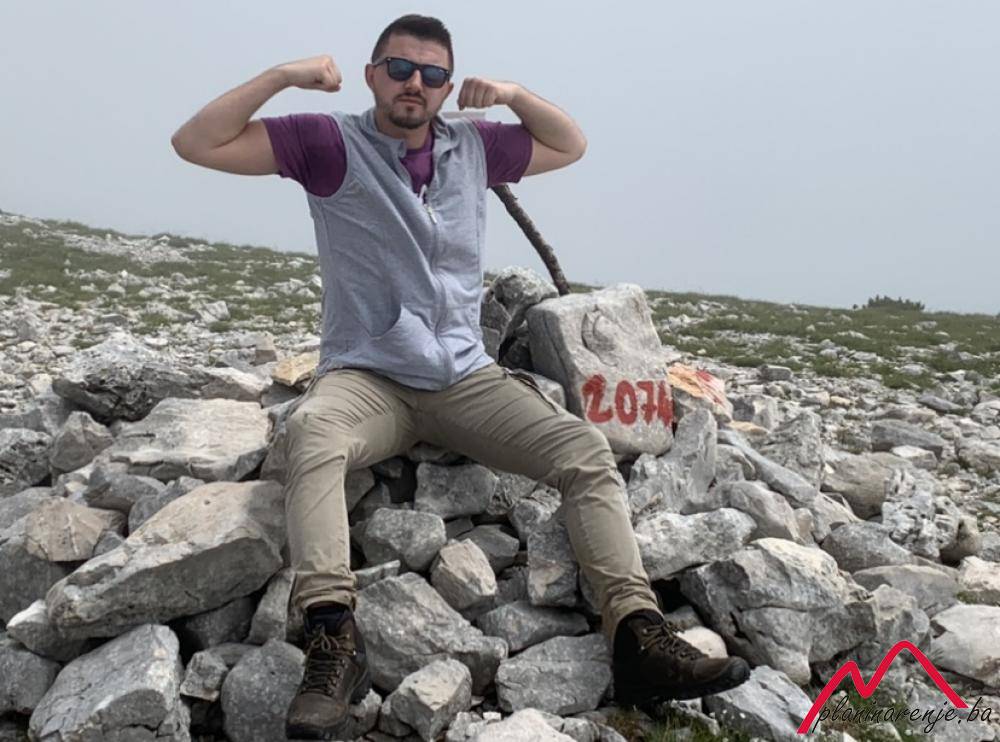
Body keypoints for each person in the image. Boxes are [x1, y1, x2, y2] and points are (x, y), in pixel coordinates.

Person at [171, 14, 750, 739]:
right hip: (370, 375)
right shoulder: (328, 144)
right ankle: (332, 639)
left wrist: (510, 93)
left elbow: (570, 142)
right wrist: (286, 75)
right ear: (373, 74)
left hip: (465, 378)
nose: (415, 83)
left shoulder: (474, 147)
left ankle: (638, 637)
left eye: (433, 74)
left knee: (584, 451)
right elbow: (196, 143)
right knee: (313, 431)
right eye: (400, 68)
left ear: (448, 86)